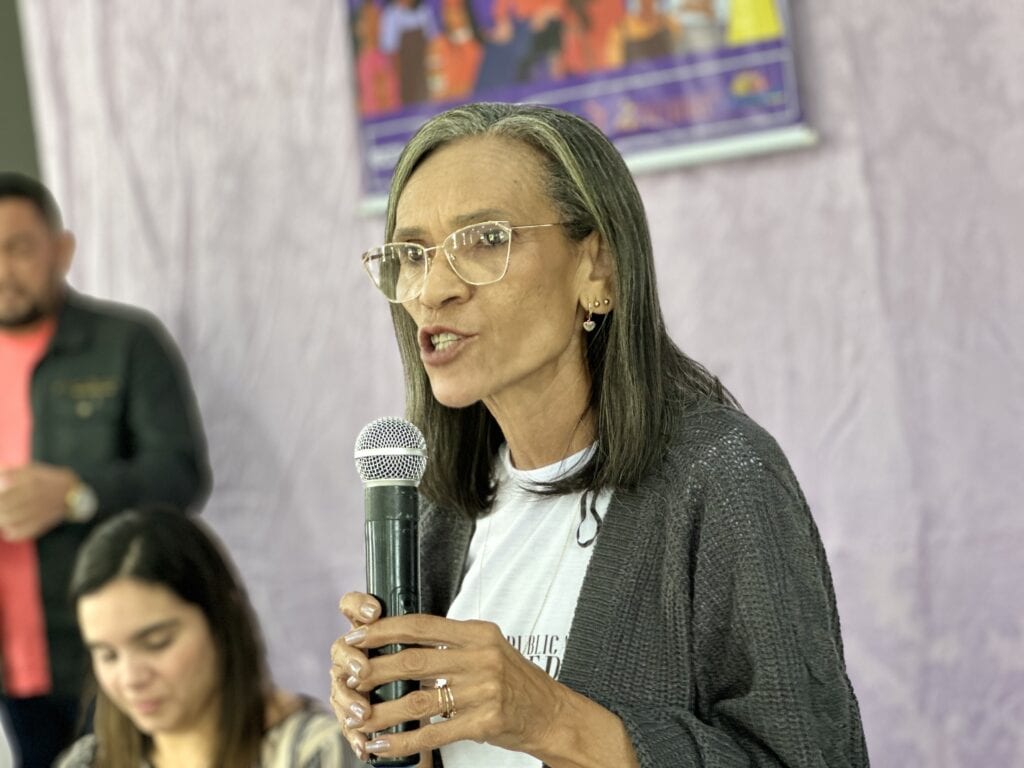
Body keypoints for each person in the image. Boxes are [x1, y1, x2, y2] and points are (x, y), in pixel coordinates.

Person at [329, 102, 869, 767]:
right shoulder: (441, 516)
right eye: (413, 255)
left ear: (599, 269)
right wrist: (394, 728)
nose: (433, 289)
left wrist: (550, 719)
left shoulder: (721, 476)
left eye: (486, 239)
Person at [0, 172, 211, 767]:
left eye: (18, 247)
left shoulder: (126, 342)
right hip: (12, 659)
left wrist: (76, 494)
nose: (3, 270)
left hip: (111, 648)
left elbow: (181, 474)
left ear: (61, 249)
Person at [55, 507, 349, 768]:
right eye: (107, 655)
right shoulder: (87, 762)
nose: (131, 678)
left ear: (220, 617)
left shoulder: (315, 753)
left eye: (157, 643)